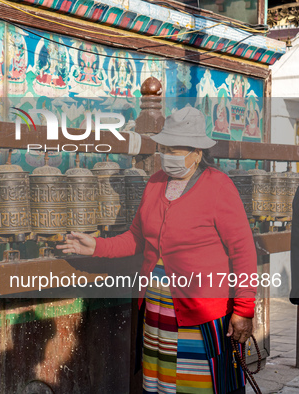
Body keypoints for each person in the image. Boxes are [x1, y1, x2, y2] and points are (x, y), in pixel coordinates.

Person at [57, 107, 257, 394]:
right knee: (162, 384)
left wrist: (244, 308)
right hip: (158, 309)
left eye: (175, 150)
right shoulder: (155, 183)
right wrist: (96, 247)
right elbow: (137, 239)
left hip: (201, 310)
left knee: (199, 384)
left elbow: (243, 251)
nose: (167, 155)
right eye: (165, 148)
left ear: (197, 152)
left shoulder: (218, 186)